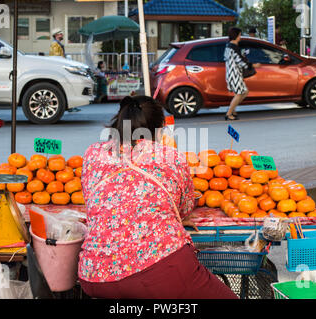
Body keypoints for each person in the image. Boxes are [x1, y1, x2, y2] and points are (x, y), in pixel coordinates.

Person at [77, 95, 239, 299]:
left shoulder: (92, 154)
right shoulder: (171, 156)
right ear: (159, 128)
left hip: (94, 275)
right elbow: (185, 206)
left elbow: (92, 199)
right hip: (161, 268)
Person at [224, 27, 260, 121]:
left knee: (244, 92)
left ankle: (233, 110)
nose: (240, 37)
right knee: (240, 93)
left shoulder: (229, 46)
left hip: (232, 73)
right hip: (234, 74)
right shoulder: (233, 48)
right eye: (239, 35)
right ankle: (229, 113)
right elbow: (240, 61)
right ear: (236, 36)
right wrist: (253, 65)